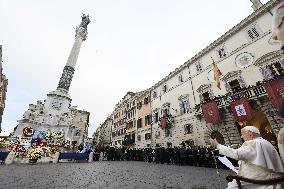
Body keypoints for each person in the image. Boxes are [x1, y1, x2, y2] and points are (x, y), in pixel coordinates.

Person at [209, 126, 284, 189]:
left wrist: (218, 145)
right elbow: (259, 162)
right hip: (271, 176)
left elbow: (236, 154)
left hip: (261, 179)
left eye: (243, 134)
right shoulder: (264, 142)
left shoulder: (253, 143)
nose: (241, 136)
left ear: (250, 134)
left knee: (232, 187)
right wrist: (242, 167)